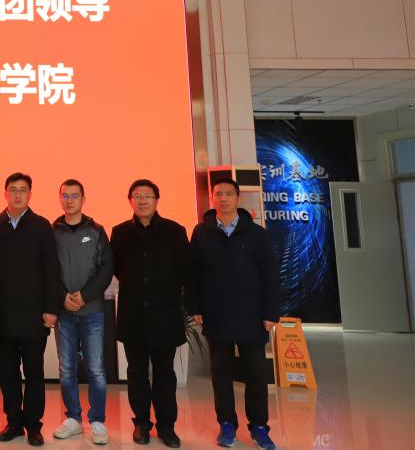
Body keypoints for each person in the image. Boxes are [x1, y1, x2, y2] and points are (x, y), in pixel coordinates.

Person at [189, 178, 280, 450]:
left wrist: (271, 312)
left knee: (256, 374)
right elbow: (194, 274)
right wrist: (195, 307)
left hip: (252, 314)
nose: (224, 198)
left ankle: (259, 427)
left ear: (238, 198)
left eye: (229, 194)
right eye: (219, 194)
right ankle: (227, 424)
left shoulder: (256, 233)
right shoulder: (202, 232)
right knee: (221, 374)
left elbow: (271, 275)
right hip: (216, 313)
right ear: (212, 198)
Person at [110, 179, 190, 448]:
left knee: (165, 373)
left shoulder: (175, 231)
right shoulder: (119, 232)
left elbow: (184, 271)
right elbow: (117, 268)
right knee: (136, 373)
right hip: (133, 316)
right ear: (130, 200)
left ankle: (167, 426)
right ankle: (142, 423)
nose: (142, 200)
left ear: (157, 199)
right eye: (137, 196)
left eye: (148, 196)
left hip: (165, 315)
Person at [0, 172, 61, 447]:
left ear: (30, 194)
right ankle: (14, 422)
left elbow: (51, 271)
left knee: (34, 373)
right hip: (1, 315)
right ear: (5, 193)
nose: (18, 195)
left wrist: (51, 309)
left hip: (33, 316)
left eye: (23, 190)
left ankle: (33, 426)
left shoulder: (41, 226)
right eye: (13, 189)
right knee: (7, 373)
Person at [52, 179, 113, 446]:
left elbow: (106, 268)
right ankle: (73, 419)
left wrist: (85, 296)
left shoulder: (96, 231)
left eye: (74, 195)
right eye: (65, 195)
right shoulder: (53, 231)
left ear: (83, 199)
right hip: (64, 311)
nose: (69, 200)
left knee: (96, 368)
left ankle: (97, 420)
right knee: (66, 369)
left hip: (92, 311)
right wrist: (62, 297)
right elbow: (48, 269)